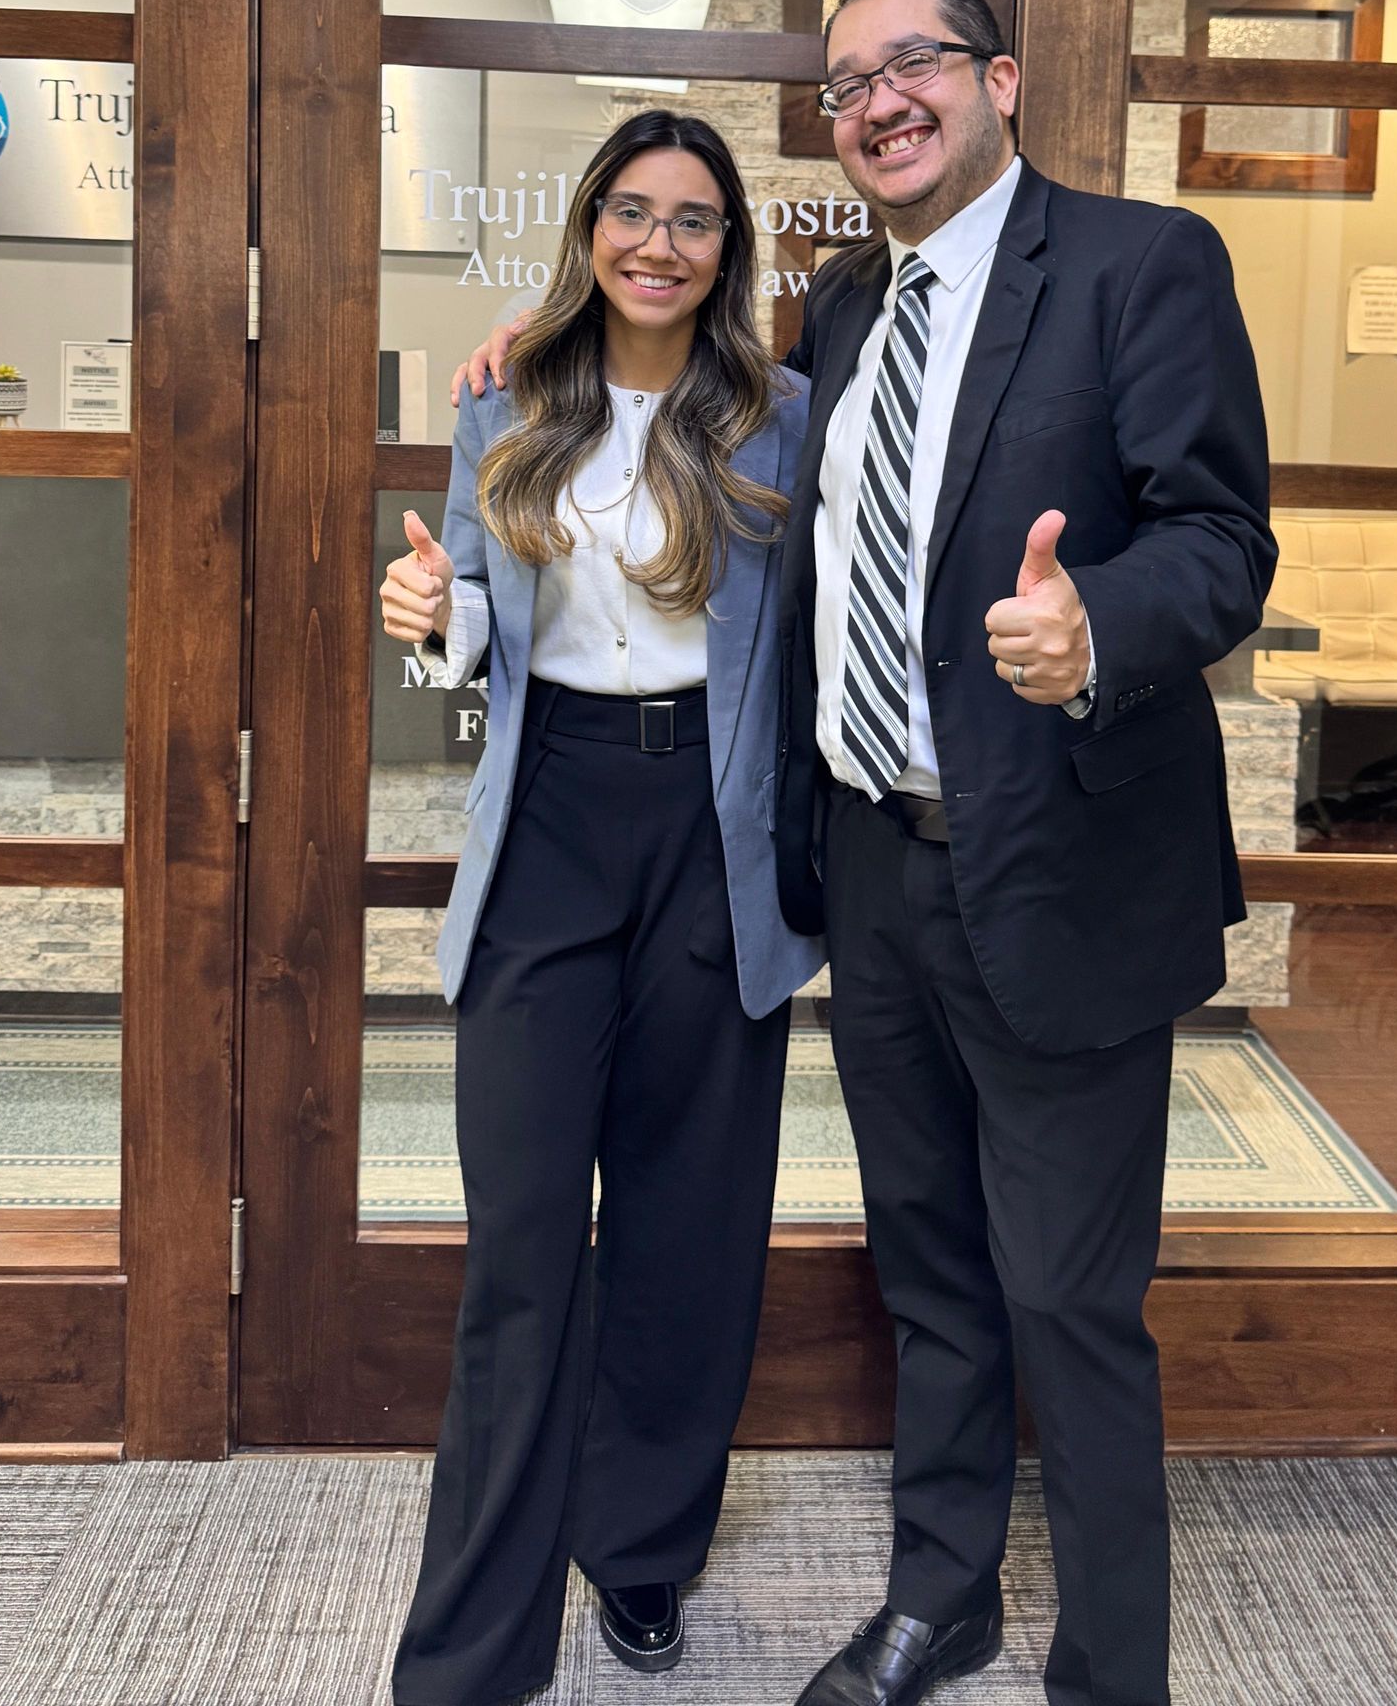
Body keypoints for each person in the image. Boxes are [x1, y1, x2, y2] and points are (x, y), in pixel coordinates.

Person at [455, 0, 1274, 1706]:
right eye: (847, 83)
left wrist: (1100, 628)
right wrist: (532, 360)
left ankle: (1112, 1667)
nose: (881, 99)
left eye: (914, 64)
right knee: (934, 1271)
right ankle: (941, 1596)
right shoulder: (835, 311)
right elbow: (678, 397)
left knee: (1069, 1296)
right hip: (877, 870)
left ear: (997, 81)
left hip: (1065, 870)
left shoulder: (1141, 265)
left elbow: (1222, 539)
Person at [381, 107, 820, 1705]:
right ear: (587, 231)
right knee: (520, 1249)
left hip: (715, 835)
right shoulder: (505, 394)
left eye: (693, 219)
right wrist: (429, 618)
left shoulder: (786, 419)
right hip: (551, 816)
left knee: (687, 1229)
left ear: (728, 251)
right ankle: (471, 1653)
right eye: (630, 213)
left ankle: (639, 1551)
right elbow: (472, 636)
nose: (658, 243)